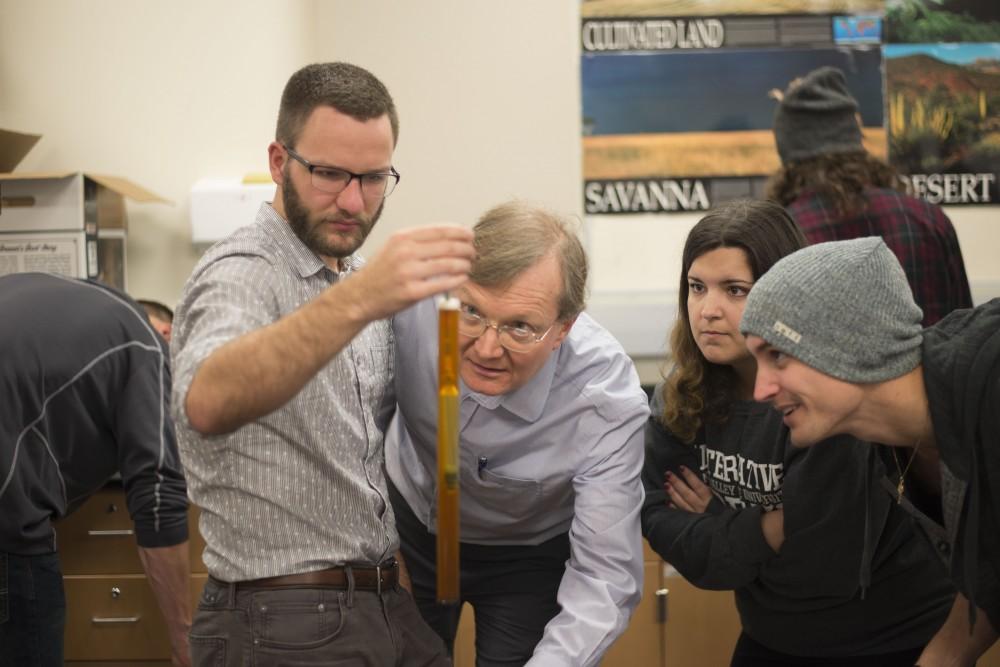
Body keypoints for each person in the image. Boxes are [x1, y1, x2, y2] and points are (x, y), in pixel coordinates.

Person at [170, 62, 475, 666]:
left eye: (373, 178)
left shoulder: (358, 280)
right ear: (280, 163)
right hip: (279, 621)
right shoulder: (243, 271)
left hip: (380, 601)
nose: (353, 201)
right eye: (330, 174)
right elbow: (206, 400)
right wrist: (361, 300)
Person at [641, 201, 955, 666]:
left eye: (734, 290)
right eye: (696, 287)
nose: (707, 310)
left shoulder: (825, 398)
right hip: (770, 634)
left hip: (892, 638)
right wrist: (768, 526)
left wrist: (717, 517)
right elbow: (659, 521)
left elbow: (823, 566)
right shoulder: (680, 397)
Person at [385, 200, 649, 666]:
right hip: (411, 529)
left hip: (523, 558)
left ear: (563, 329)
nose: (487, 348)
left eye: (520, 328)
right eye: (472, 312)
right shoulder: (412, 308)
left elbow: (605, 576)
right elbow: (353, 433)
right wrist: (379, 547)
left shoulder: (604, 397)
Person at [742, 236, 1000, 664]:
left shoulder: (989, 387)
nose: (760, 389)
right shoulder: (888, 442)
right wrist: (945, 656)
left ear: (850, 344)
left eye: (777, 356)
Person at [0, 272, 191, 667]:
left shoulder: (63, 293)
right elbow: (158, 492)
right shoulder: (146, 345)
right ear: (169, 332)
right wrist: (183, 641)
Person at [767, 65, 972, 326]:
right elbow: (966, 330)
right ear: (855, 139)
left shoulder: (786, 232)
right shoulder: (927, 218)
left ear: (788, 155)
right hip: (929, 367)